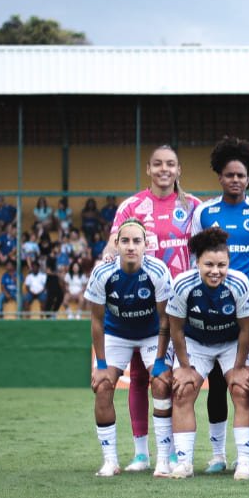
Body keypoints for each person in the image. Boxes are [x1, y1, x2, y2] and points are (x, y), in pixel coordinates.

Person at [108, 145, 201, 473]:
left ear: (179, 169)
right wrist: (107, 258)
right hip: (139, 303)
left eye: (170, 164)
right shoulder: (131, 206)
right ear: (148, 169)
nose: (164, 169)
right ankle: (141, 454)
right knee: (138, 377)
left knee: (170, 377)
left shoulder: (194, 206)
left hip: (180, 306)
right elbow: (113, 245)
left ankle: (174, 452)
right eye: (158, 164)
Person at [190, 137, 249, 475]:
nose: (235, 180)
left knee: (244, 385)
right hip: (212, 308)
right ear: (220, 177)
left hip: (248, 312)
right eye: (229, 175)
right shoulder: (205, 212)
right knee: (216, 385)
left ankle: (246, 456)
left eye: (240, 175)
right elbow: (194, 258)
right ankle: (217, 455)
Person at [166, 227, 249, 479]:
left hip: (231, 343)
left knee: (241, 389)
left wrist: (239, 368)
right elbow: (176, 329)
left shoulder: (240, 283)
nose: (215, 271)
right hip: (196, 343)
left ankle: (244, 462)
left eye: (221, 265)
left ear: (229, 263)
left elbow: (246, 330)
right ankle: (184, 462)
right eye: (209, 265)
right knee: (183, 390)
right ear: (197, 263)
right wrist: (184, 367)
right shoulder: (182, 284)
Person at [85, 219, 173, 477]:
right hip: (116, 334)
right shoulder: (102, 273)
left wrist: (160, 361)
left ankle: (163, 460)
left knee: (161, 383)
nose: (131, 246)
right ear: (117, 244)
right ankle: (110, 461)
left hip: (151, 334)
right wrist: (101, 365)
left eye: (136, 241)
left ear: (146, 245)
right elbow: (97, 321)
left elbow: (165, 319)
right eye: (125, 241)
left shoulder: (158, 270)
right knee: (102, 386)